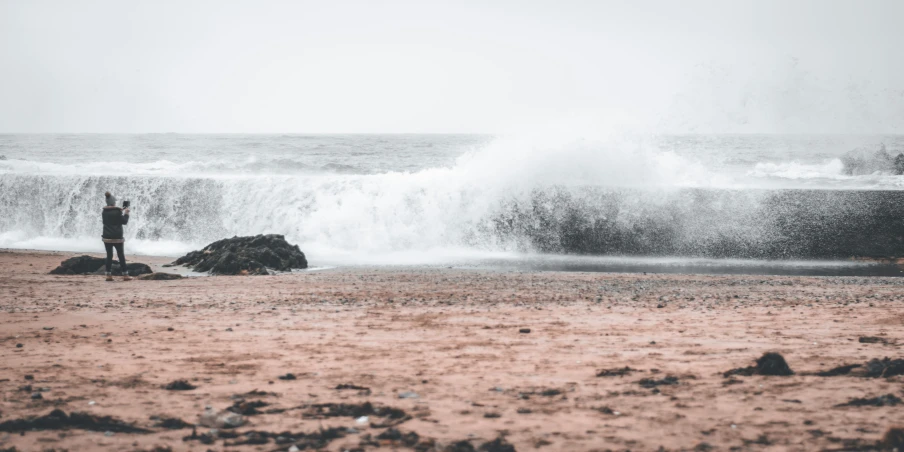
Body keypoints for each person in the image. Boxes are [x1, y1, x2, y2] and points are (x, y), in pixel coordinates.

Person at [102, 191, 131, 281]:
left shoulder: (104, 212)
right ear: (113, 202)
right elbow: (124, 222)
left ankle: (108, 275)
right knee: (121, 255)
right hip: (117, 237)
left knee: (109, 255)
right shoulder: (117, 212)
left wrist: (120, 210)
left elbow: (112, 215)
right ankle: (125, 275)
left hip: (107, 237)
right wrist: (126, 213)